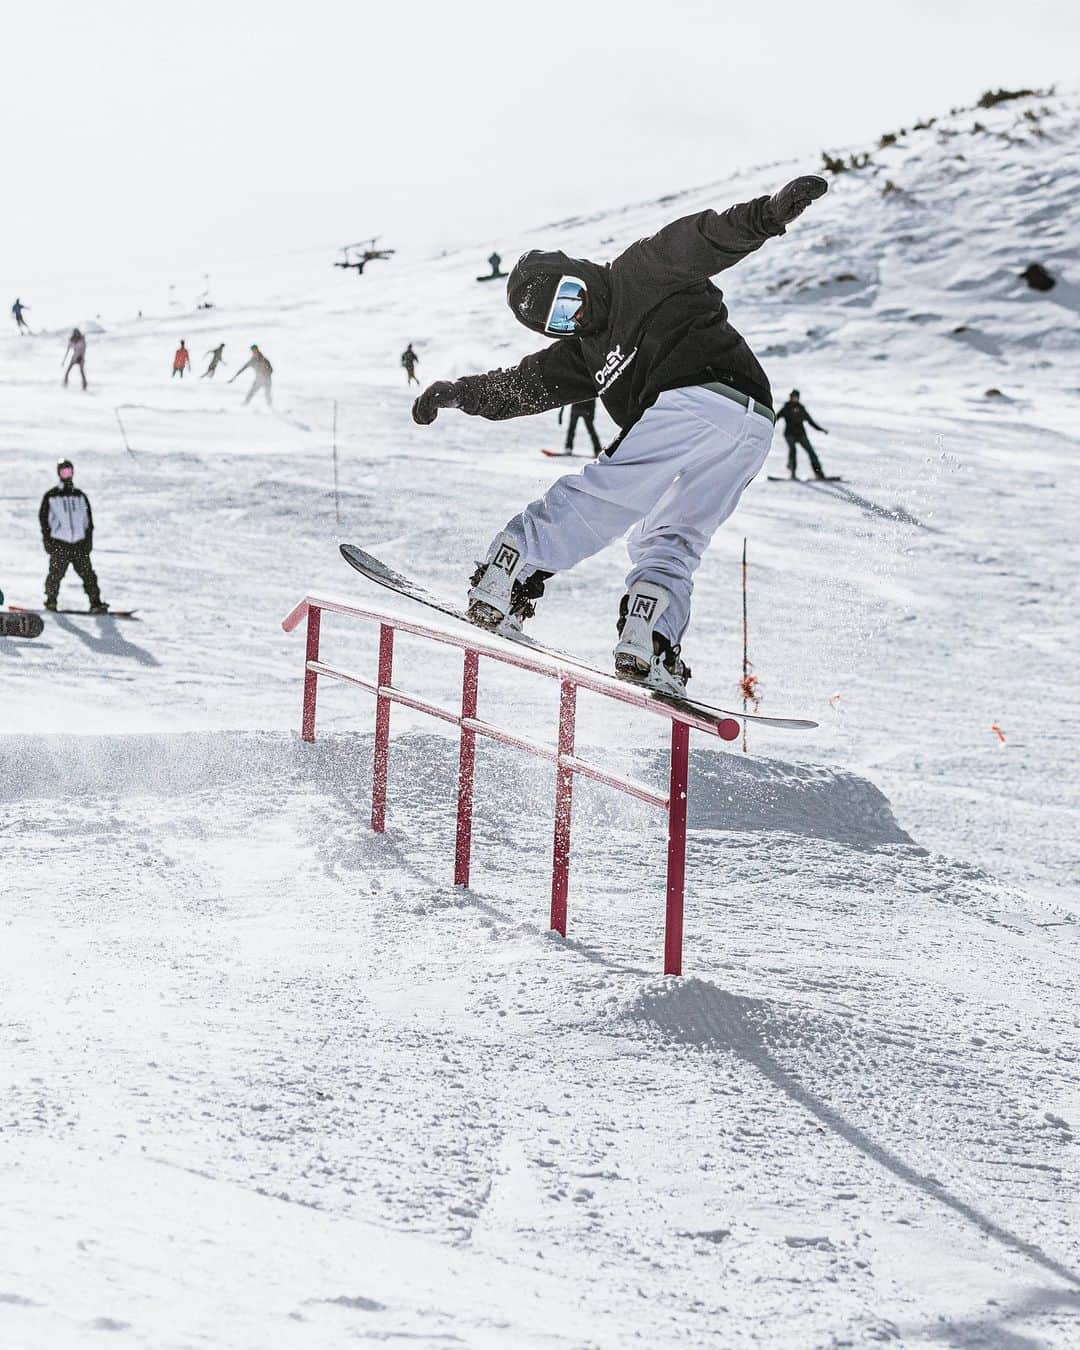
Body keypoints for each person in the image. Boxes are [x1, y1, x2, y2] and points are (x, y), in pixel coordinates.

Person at [412, 175, 828, 693]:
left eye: (569, 296)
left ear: (578, 273)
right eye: (559, 321)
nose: (575, 315)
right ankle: (649, 630)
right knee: (674, 534)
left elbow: (705, 237)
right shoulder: (584, 353)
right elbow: (520, 386)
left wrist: (767, 215)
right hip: (749, 428)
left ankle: (513, 561)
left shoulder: (641, 270)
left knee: (609, 492)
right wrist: (460, 393)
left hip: (699, 395)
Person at [39, 460, 107, 613]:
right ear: (59, 474)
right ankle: (51, 601)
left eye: (69, 472)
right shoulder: (52, 496)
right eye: (63, 472)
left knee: (88, 574)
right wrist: (48, 541)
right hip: (60, 544)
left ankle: (96, 603)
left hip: (79, 544)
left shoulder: (80, 496)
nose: (66, 475)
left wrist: (88, 541)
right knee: (55, 574)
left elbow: (88, 521)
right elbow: (44, 521)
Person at [774, 389, 830, 479]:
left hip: (801, 434)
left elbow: (810, 422)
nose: (794, 398)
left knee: (811, 452)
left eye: (796, 397)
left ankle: (819, 473)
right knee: (793, 451)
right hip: (789, 434)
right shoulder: (786, 407)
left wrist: (821, 429)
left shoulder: (801, 408)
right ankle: (792, 473)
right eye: (793, 397)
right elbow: (776, 417)